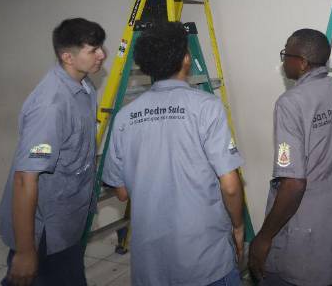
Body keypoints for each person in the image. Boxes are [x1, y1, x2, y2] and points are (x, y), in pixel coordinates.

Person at [102, 21, 245, 285]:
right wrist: (238, 226)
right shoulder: (207, 107)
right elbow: (231, 186)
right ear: (186, 59)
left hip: (151, 262)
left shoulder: (124, 117)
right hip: (205, 260)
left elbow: (121, 192)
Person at [249, 29, 332, 285]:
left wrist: (264, 237)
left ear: (302, 62)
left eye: (286, 55)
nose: (283, 62)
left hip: (309, 230)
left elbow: (293, 183)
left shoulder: (290, 103)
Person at [0, 18, 106, 286]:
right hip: (46, 228)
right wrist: (25, 251)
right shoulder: (51, 105)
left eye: (100, 47)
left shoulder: (84, 87)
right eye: (93, 50)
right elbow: (25, 178)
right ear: (68, 57)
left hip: (68, 220)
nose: (102, 55)